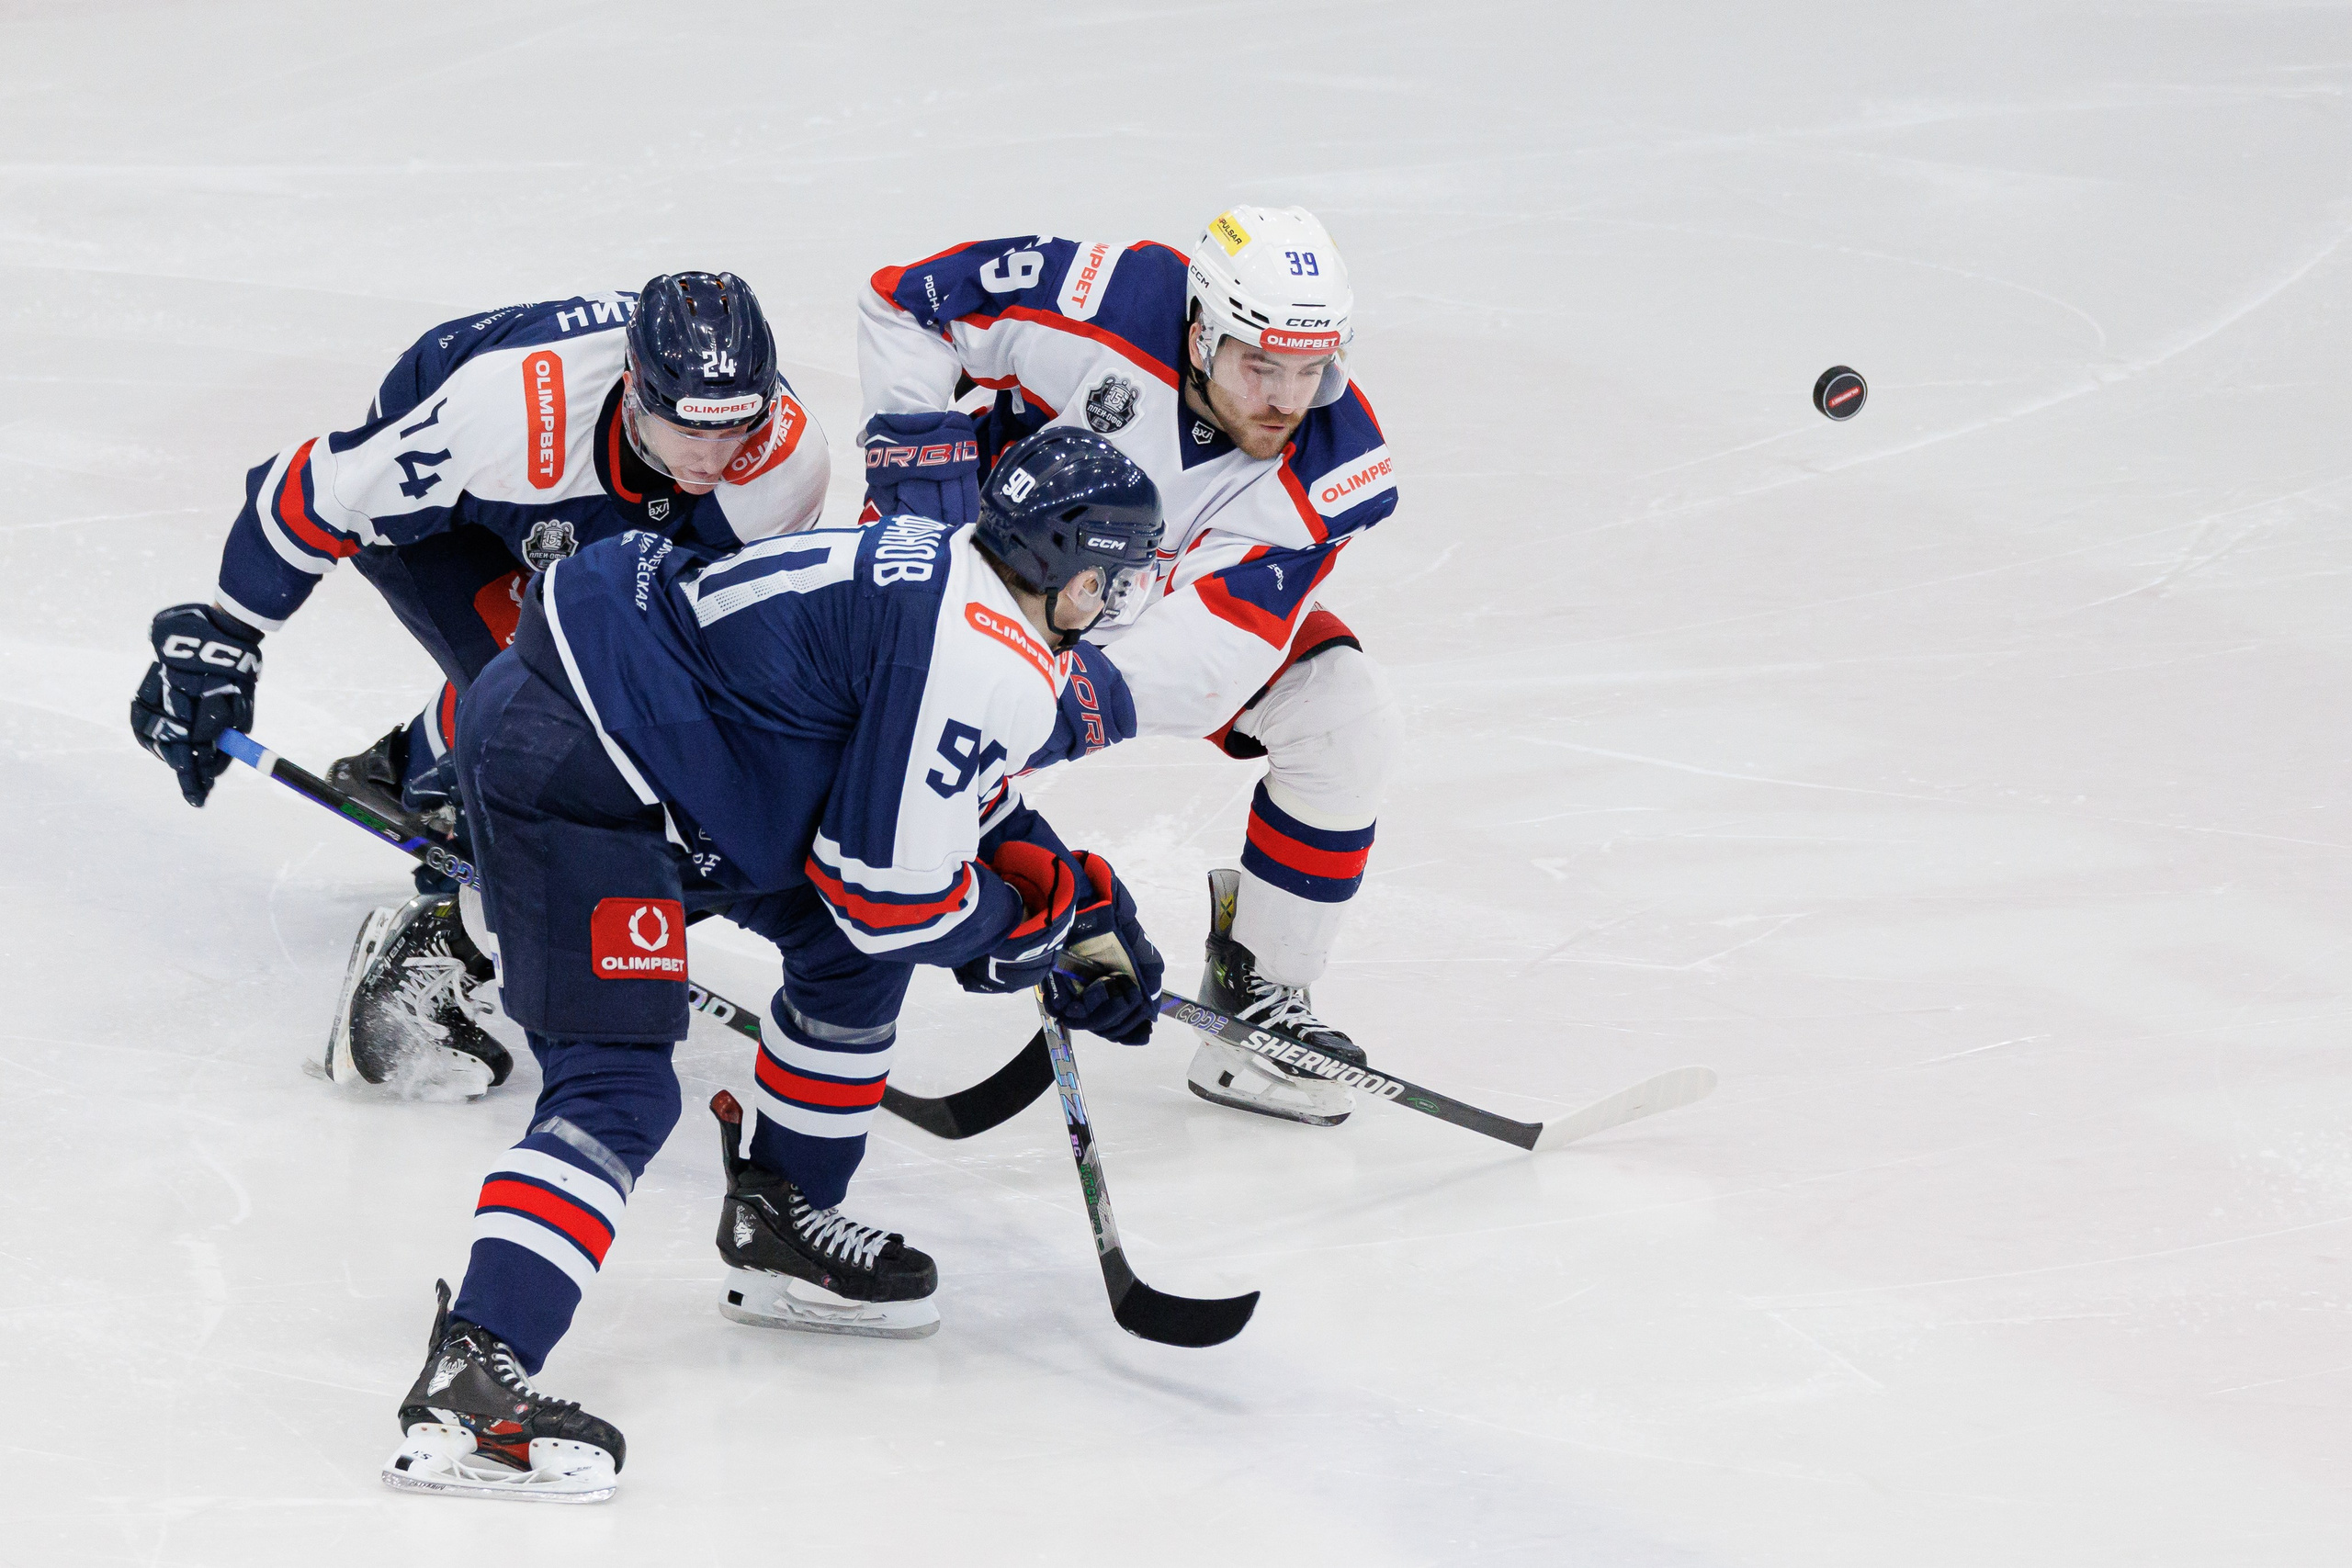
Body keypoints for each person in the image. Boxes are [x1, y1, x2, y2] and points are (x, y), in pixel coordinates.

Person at [383, 429, 1169, 1503]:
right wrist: (1018, 934)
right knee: (618, 1086)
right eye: (1119, 579)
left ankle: (780, 1218)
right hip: (587, 775)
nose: (1119, 600)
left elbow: (928, 800)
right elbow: (890, 895)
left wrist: (1069, 895)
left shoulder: (949, 566)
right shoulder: (995, 658)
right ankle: (469, 1379)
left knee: (844, 957)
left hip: (661, 752)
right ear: (1081, 576)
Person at [130, 272, 830, 1092]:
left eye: (735, 430)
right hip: (465, 507)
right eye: (688, 430)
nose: (712, 460)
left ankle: (418, 769)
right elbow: (315, 488)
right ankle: (425, 955)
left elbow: (704, 648)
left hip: (586, 504)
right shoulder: (504, 419)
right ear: (636, 389)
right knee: (553, 716)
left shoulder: (781, 463)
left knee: (631, 709)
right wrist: (223, 637)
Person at [857, 206, 1403, 1126]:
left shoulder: (1336, 468)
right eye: (1259, 365)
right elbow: (909, 302)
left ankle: (1256, 1002)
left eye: (1310, 371)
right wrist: (927, 496)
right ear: (1200, 332)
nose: (1284, 398)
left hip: (1147, 615)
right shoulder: (1107, 298)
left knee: (1341, 716)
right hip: (982, 580)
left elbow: (1217, 644)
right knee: (860, 764)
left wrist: (1030, 716)